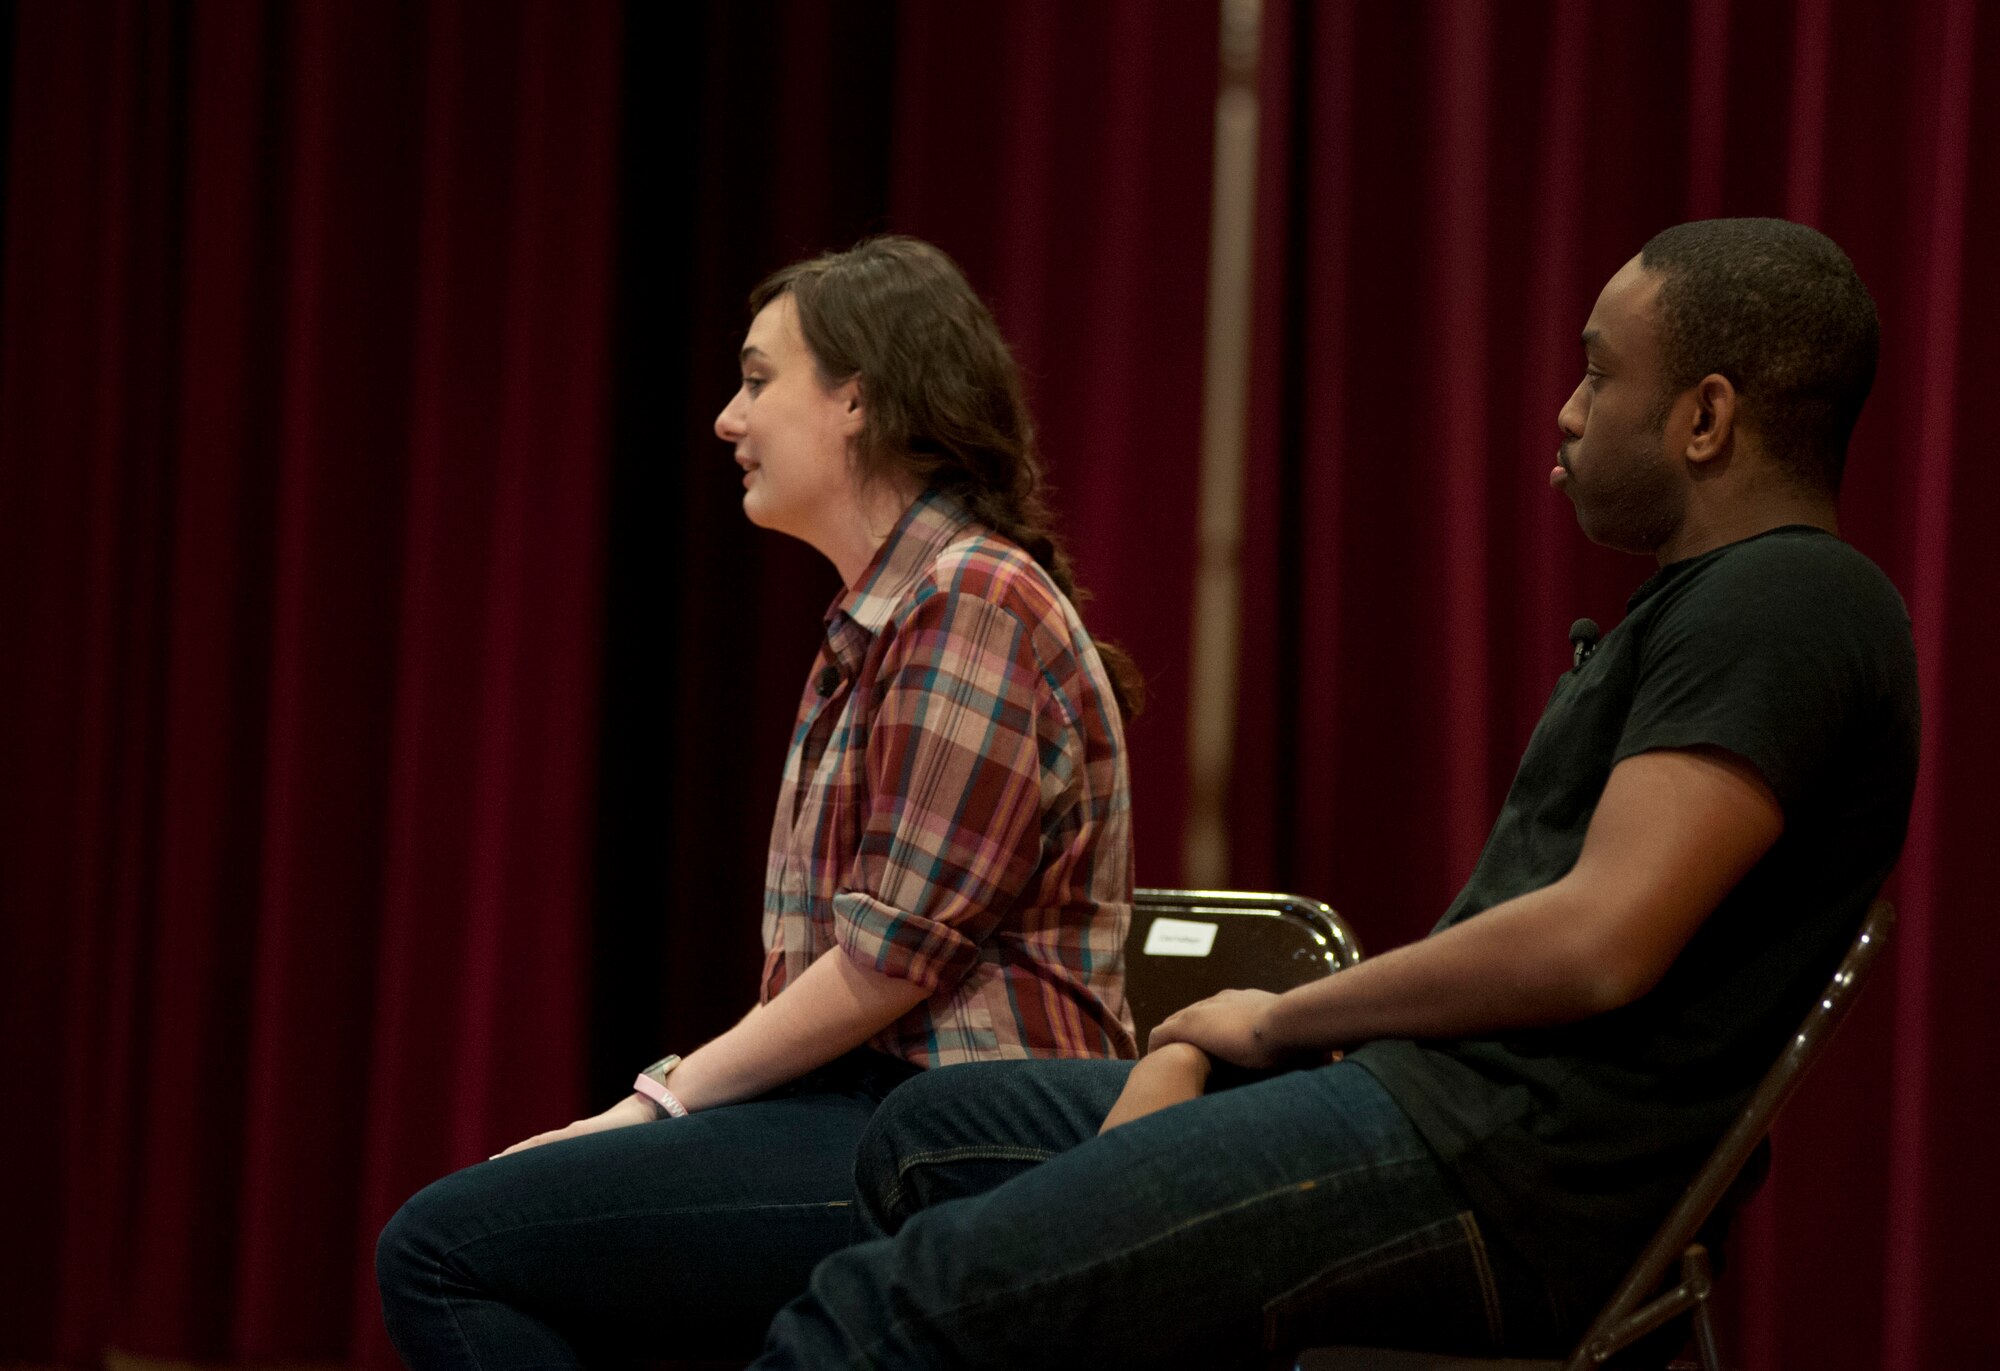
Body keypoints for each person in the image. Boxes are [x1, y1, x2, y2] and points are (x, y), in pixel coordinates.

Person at [751, 218, 1920, 1369]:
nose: (1566, 409)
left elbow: (1597, 942)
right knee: (925, 1138)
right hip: (1439, 1118)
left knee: (881, 1313)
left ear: (1705, 418)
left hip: (1495, 1174)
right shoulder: (1714, 606)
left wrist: (1273, 1019)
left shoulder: (1787, 600)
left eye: (1599, 372)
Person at [375, 235, 1142, 1367]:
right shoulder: (883, 617)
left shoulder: (969, 599)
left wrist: (658, 1103)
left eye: (755, 379)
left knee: (441, 1250)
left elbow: (890, 964)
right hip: (872, 1113)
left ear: (855, 400)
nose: (728, 420)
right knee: (543, 1241)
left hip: (959, 1136)